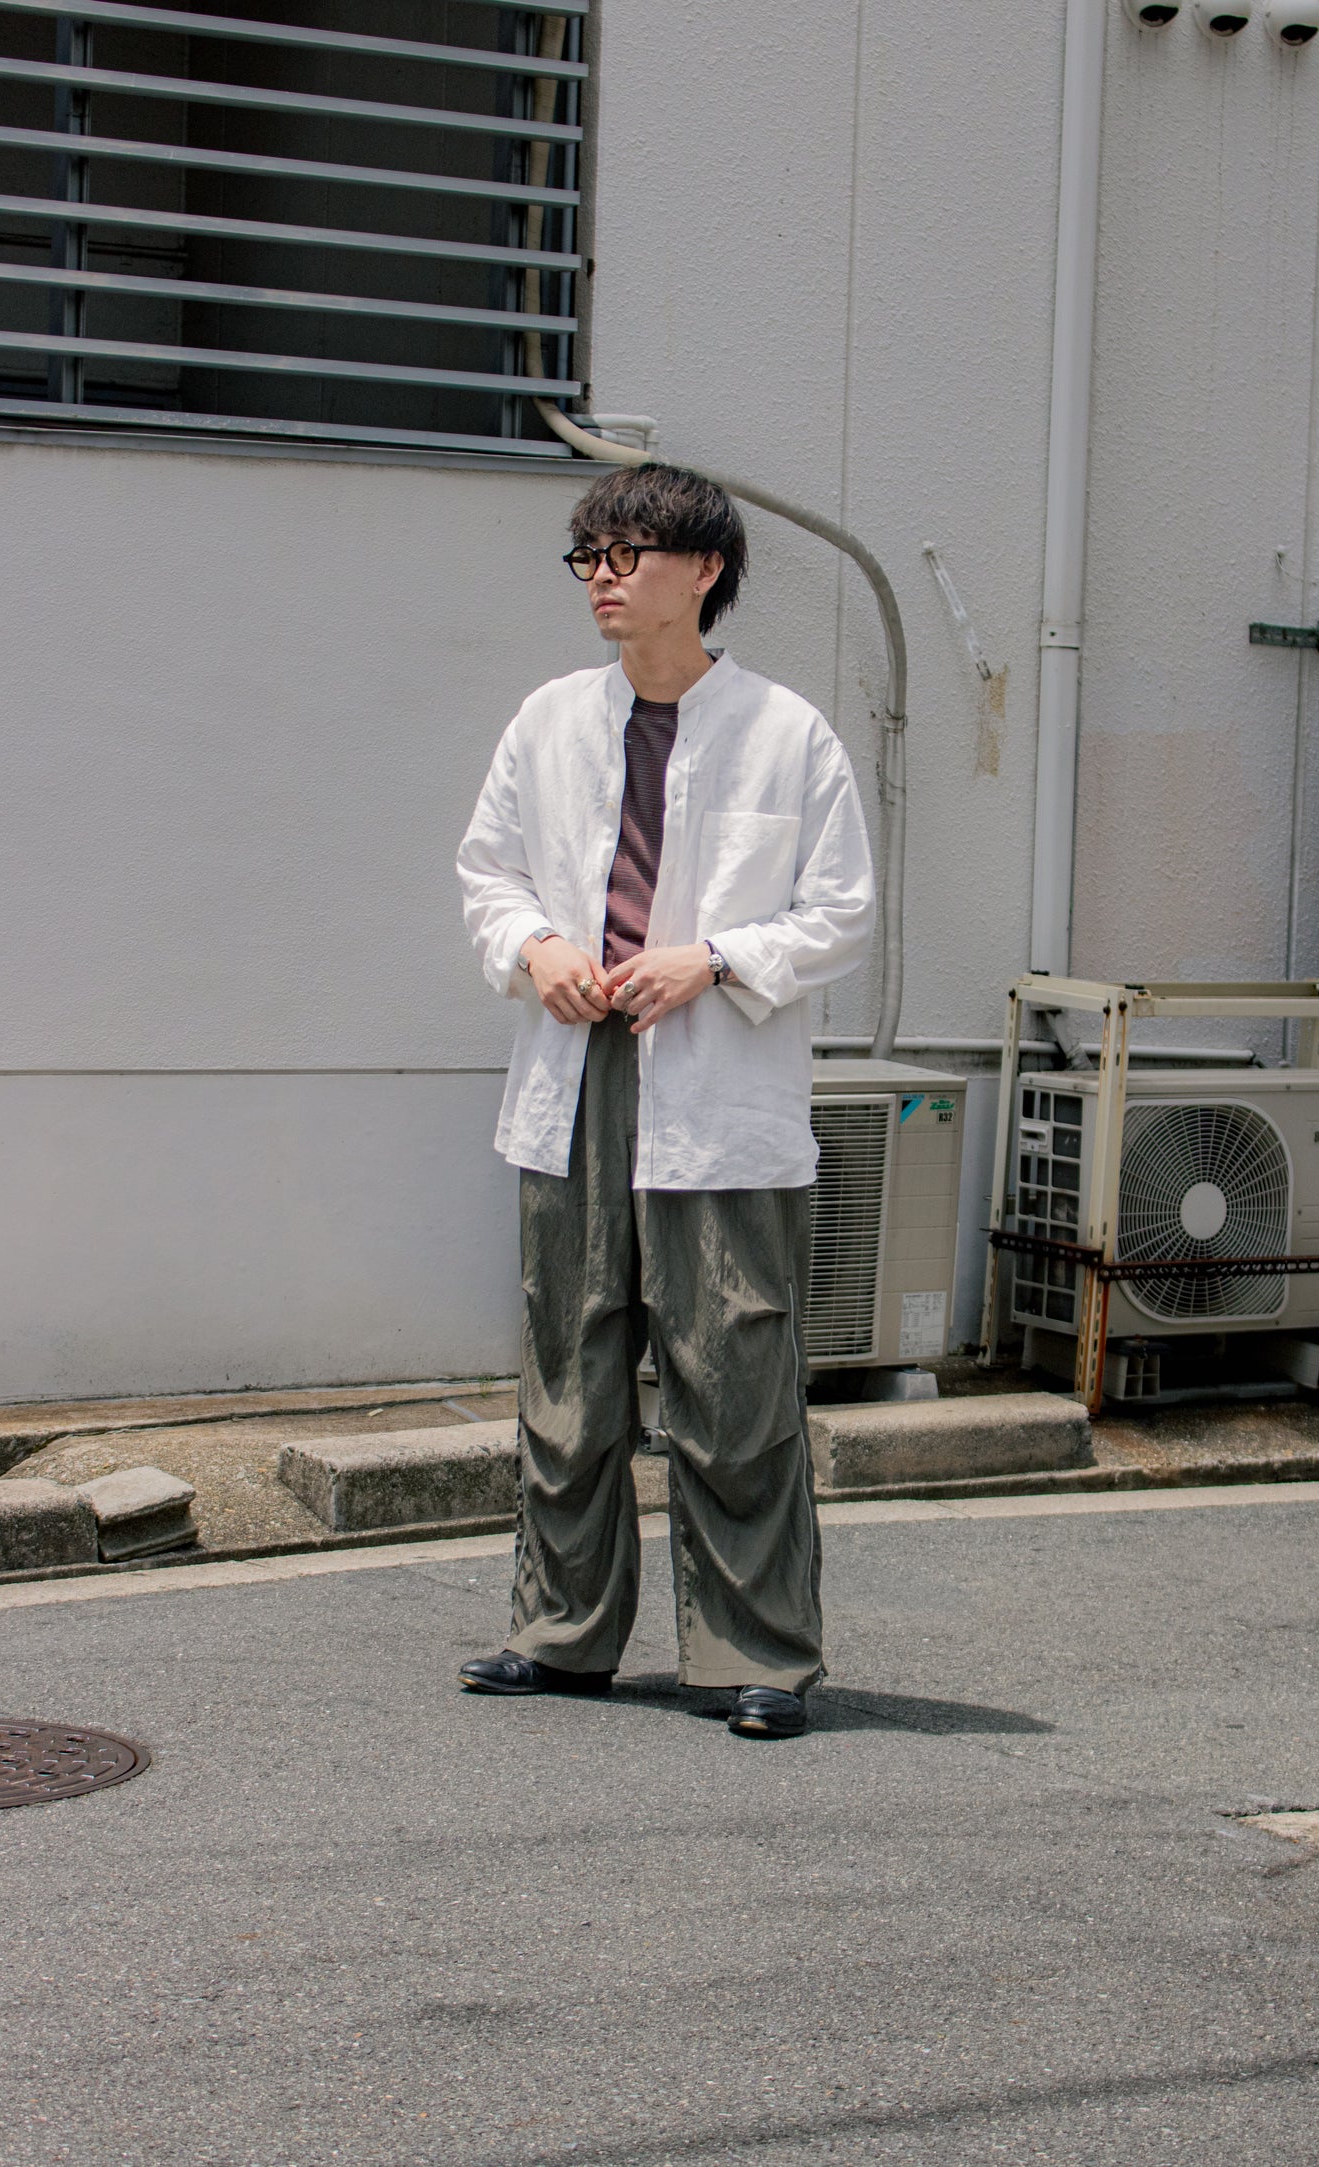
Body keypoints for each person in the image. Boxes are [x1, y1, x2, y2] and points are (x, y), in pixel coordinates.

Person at [455, 463, 875, 1739]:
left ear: (703, 572)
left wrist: (718, 958)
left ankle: (756, 1655)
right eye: (586, 555)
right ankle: (558, 1634)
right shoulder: (546, 722)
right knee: (568, 1372)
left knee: (733, 1376)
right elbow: (487, 873)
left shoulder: (786, 732)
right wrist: (534, 947)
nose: (601, 576)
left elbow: (841, 911)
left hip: (718, 1082)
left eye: (625, 553)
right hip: (574, 1073)